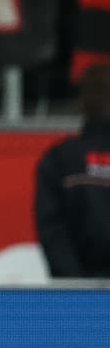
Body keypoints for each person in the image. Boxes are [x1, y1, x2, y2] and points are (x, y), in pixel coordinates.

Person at [34, 63, 110, 279]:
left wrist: (75, 285)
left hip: (76, 295)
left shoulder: (60, 159)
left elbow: (53, 233)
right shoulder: (58, 160)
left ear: (81, 103)